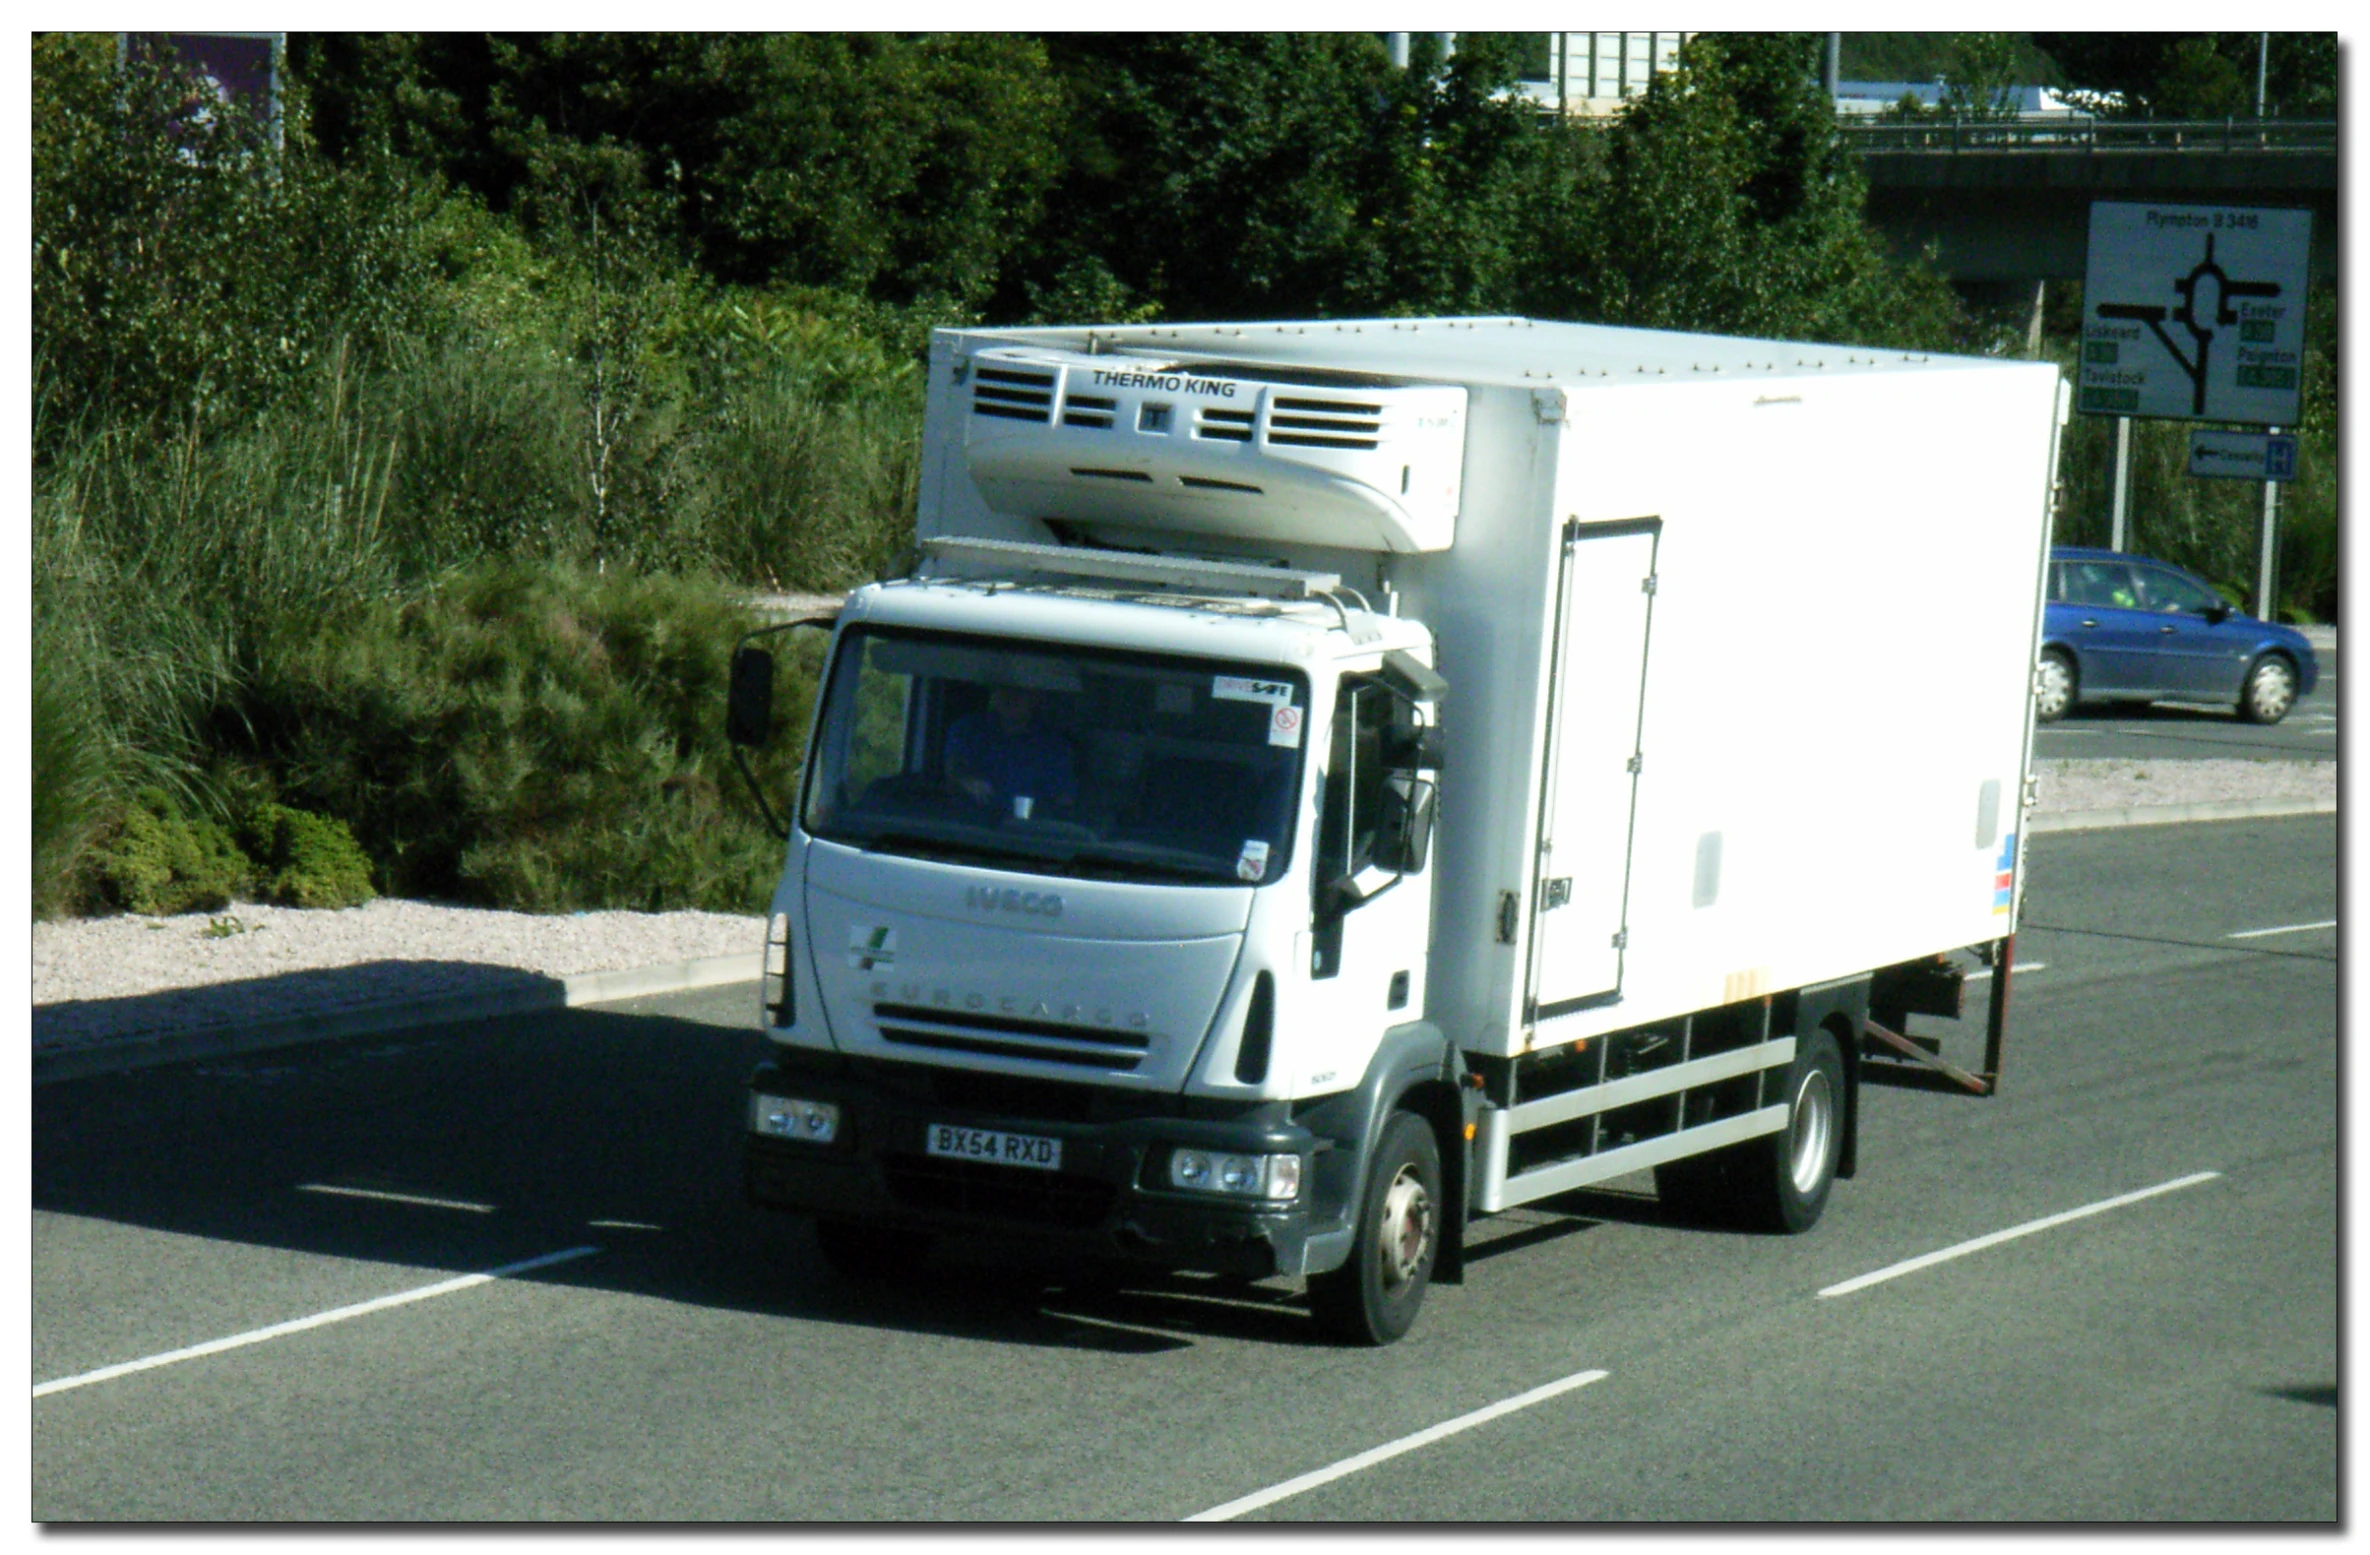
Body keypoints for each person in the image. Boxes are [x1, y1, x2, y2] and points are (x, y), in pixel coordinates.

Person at [945, 686, 1076, 814]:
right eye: (1004, 688)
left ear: (1036, 697)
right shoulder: (967, 730)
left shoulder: (1054, 745)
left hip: (1030, 830)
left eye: (1020, 691)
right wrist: (966, 781)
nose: (1011, 696)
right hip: (969, 823)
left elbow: (1064, 799)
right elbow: (952, 772)